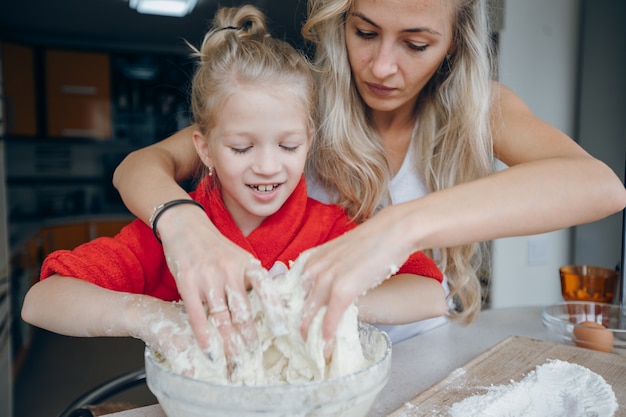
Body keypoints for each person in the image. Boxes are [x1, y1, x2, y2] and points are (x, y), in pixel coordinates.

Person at [112, 0, 626, 350]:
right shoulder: (298, 101)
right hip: (307, 360)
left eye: (416, 44)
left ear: (454, 43)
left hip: (421, 359)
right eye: (365, 32)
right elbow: (141, 165)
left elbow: (600, 186)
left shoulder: (480, 110)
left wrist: (398, 226)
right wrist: (180, 223)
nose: (381, 66)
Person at [21, 5, 446, 363]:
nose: (267, 167)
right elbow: (42, 301)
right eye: (242, 148)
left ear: (309, 142)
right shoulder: (176, 240)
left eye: (288, 145)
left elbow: (430, 294)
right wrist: (154, 316)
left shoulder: (332, 227)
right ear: (204, 150)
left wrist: (318, 301)